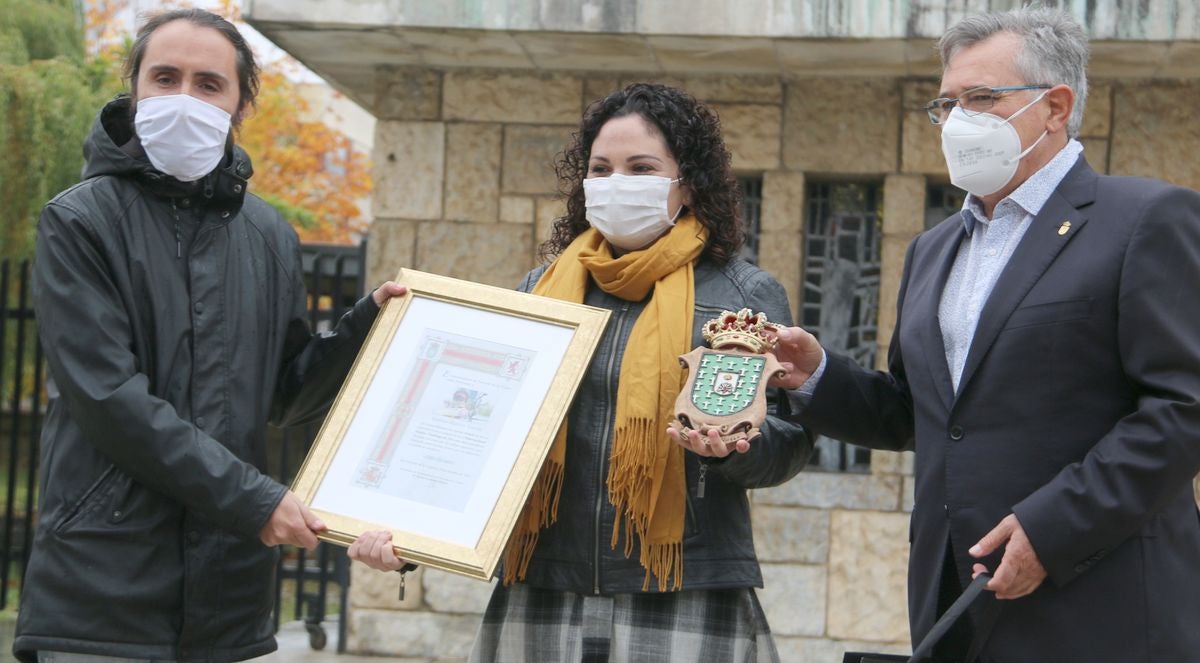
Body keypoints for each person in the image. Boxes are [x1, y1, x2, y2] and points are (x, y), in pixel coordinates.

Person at [772, 7, 1200, 662]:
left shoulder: (1144, 219)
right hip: (957, 605)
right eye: (946, 104)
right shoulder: (933, 249)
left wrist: (1051, 530)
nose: (957, 121)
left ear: (1055, 106)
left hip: (1099, 608)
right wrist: (821, 378)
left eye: (981, 98)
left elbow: (1181, 409)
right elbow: (930, 414)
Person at [349, 83, 812, 662]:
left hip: (682, 586)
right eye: (602, 168)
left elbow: (788, 446)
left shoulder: (743, 297)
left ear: (687, 185)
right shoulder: (539, 293)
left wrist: (733, 448)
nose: (618, 182)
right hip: (544, 581)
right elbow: (479, 437)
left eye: (641, 168)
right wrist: (411, 531)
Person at [13, 9, 405, 662]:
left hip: (228, 596)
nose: (183, 99)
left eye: (208, 83)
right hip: (102, 592)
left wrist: (366, 326)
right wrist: (257, 501)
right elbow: (109, 399)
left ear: (241, 102)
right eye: (164, 78)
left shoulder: (268, 234)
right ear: (133, 87)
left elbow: (282, 394)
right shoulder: (79, 221)